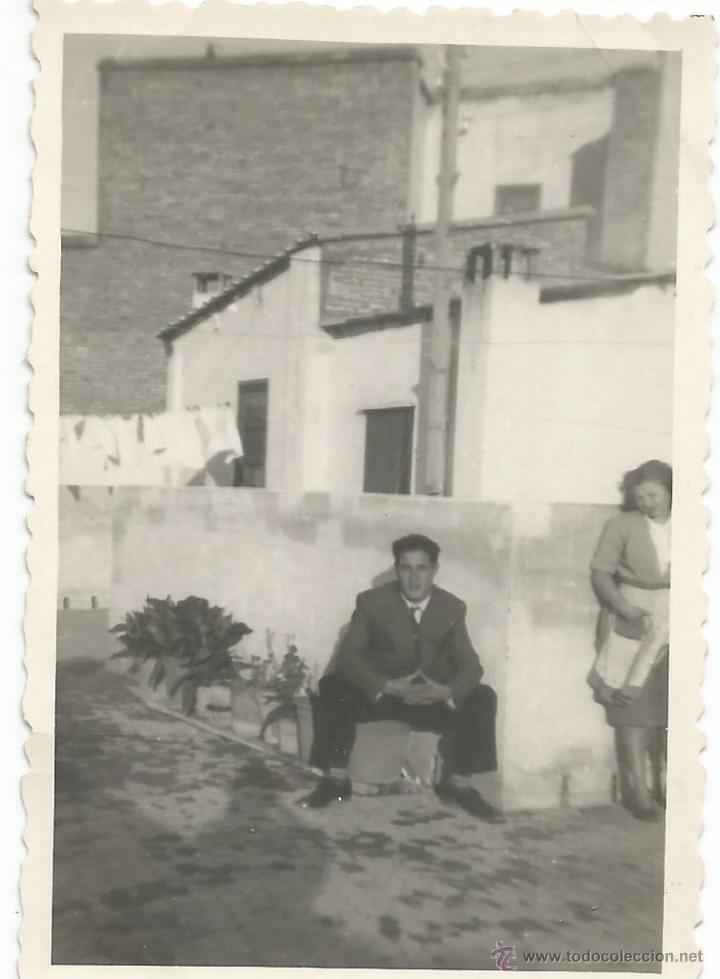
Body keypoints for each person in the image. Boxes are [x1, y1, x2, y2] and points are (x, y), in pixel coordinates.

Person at [300, 534, 504, 822]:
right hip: (385, 696)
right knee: (333, 685)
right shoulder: (372, 602)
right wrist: (386, 686)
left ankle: (459, 786)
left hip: (430, 699)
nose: (414, 577)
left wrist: (446, 692)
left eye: (422, 568)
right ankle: (335, 780)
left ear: (434, 570)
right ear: (396, 570)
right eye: (406, 568)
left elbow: (471, 665)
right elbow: (348, 657)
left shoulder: (451, 607)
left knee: (482, 697)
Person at [588, 460, 671, 821]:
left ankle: (671, 785)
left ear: (672, 491)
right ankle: (638, 792)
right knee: (632, 709)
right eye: (640, 497)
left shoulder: (698, 522)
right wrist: (624, 608)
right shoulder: (621, 526)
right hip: (634, 616)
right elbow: (601, 573)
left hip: (682, 619)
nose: (647, 503)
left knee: (679, 707)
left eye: (654, 495)